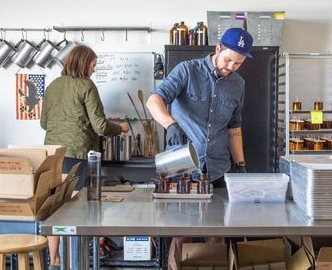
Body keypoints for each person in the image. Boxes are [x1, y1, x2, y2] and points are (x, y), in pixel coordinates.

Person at [146, 27, 253, 269]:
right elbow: (154, 100)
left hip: (217, 169)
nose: (231, 67)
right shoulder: (187, 70)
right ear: (217, 49)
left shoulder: (238, 84)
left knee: (216, 234)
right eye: (228, 59)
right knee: (180, 233)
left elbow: (234, 128)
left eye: (238, 63)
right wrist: (170, 124)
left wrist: (241, 164)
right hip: (181, 168)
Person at [40, 45, 129, 269]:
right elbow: (100, 126)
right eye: (93, 65)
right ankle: (76, 262)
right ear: (83, 63)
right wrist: (121, 128)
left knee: (55, 208)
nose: (94, 69)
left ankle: (55, 261)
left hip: (52, 153)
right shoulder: (86, 85)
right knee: (75, 210)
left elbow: (44, 123)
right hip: (78, 153)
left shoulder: (52, 86)